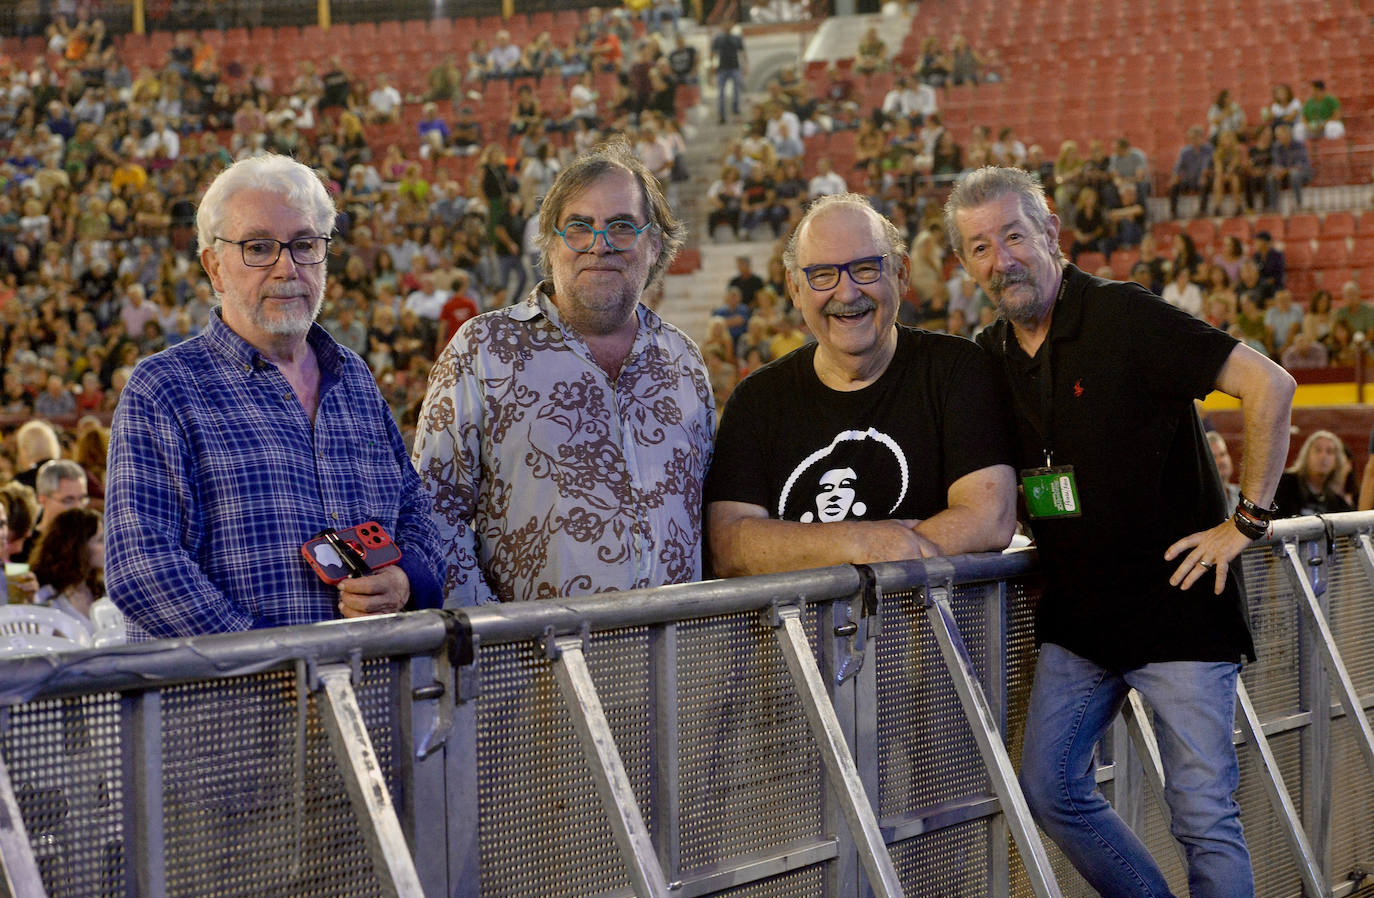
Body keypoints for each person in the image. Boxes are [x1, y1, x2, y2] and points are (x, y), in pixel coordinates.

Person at [947, 166, 1295, 898]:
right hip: (1081, 625)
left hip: (1178, 615)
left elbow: (1271, 385)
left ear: (1051, 234)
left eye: (1013, 234)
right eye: (979, 246)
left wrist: (1247, 522)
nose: (1001, 259)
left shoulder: (1126, 316)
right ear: (965, 264)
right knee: (1050, 786)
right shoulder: (989, 352)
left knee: (1203, 819)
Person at [105, 153, 445, 640]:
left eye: (305, 244)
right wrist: (272, 658)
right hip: (236, 705)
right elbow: (142, 568)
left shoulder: (353, 377)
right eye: (259, 247)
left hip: (367, 690)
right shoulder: (164, 388)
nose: (287, 267)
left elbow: (415, 509)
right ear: (214, 267)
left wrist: (405, 579)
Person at [412, 139, 713, 605]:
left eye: (621, 226)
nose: (599, 245)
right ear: (551, 244)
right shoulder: (482, 349)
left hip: (676, 662)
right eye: (579, 227)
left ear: (654, 244)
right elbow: (434, 512)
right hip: (535, 664)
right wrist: (496, 639)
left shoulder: (685, 361)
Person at [704, 192, 1017, 577]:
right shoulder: (756, 400)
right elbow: (729, 545)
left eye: (866, 268)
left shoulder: (957, 370)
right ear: (794, 289)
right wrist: (862, 543)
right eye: (822, 275)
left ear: (901, 274)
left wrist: (809, 553)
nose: (847, 292)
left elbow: (991, 516)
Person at [30, 506, 105, 621]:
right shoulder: (47, 596)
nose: (109, 545)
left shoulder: (102, 588)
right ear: (80, 548)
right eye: (100, 540)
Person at [1274, 429, 1353, 517]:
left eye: (1329, 451)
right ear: (1306, 456)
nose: (1323, 456)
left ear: (1336, 461)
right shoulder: (1284, 484)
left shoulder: (1337, 503)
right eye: (1318, 450)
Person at [710, 25, 746, 125]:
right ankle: (721, 114)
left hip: (735, 67)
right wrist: (711, 66)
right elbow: (713, 53)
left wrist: (745, 65)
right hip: (722, 68)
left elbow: (742, 52)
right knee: (721, 92)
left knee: (737, 90)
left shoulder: (736, 38)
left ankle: (736, 109)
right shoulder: (718, 39)